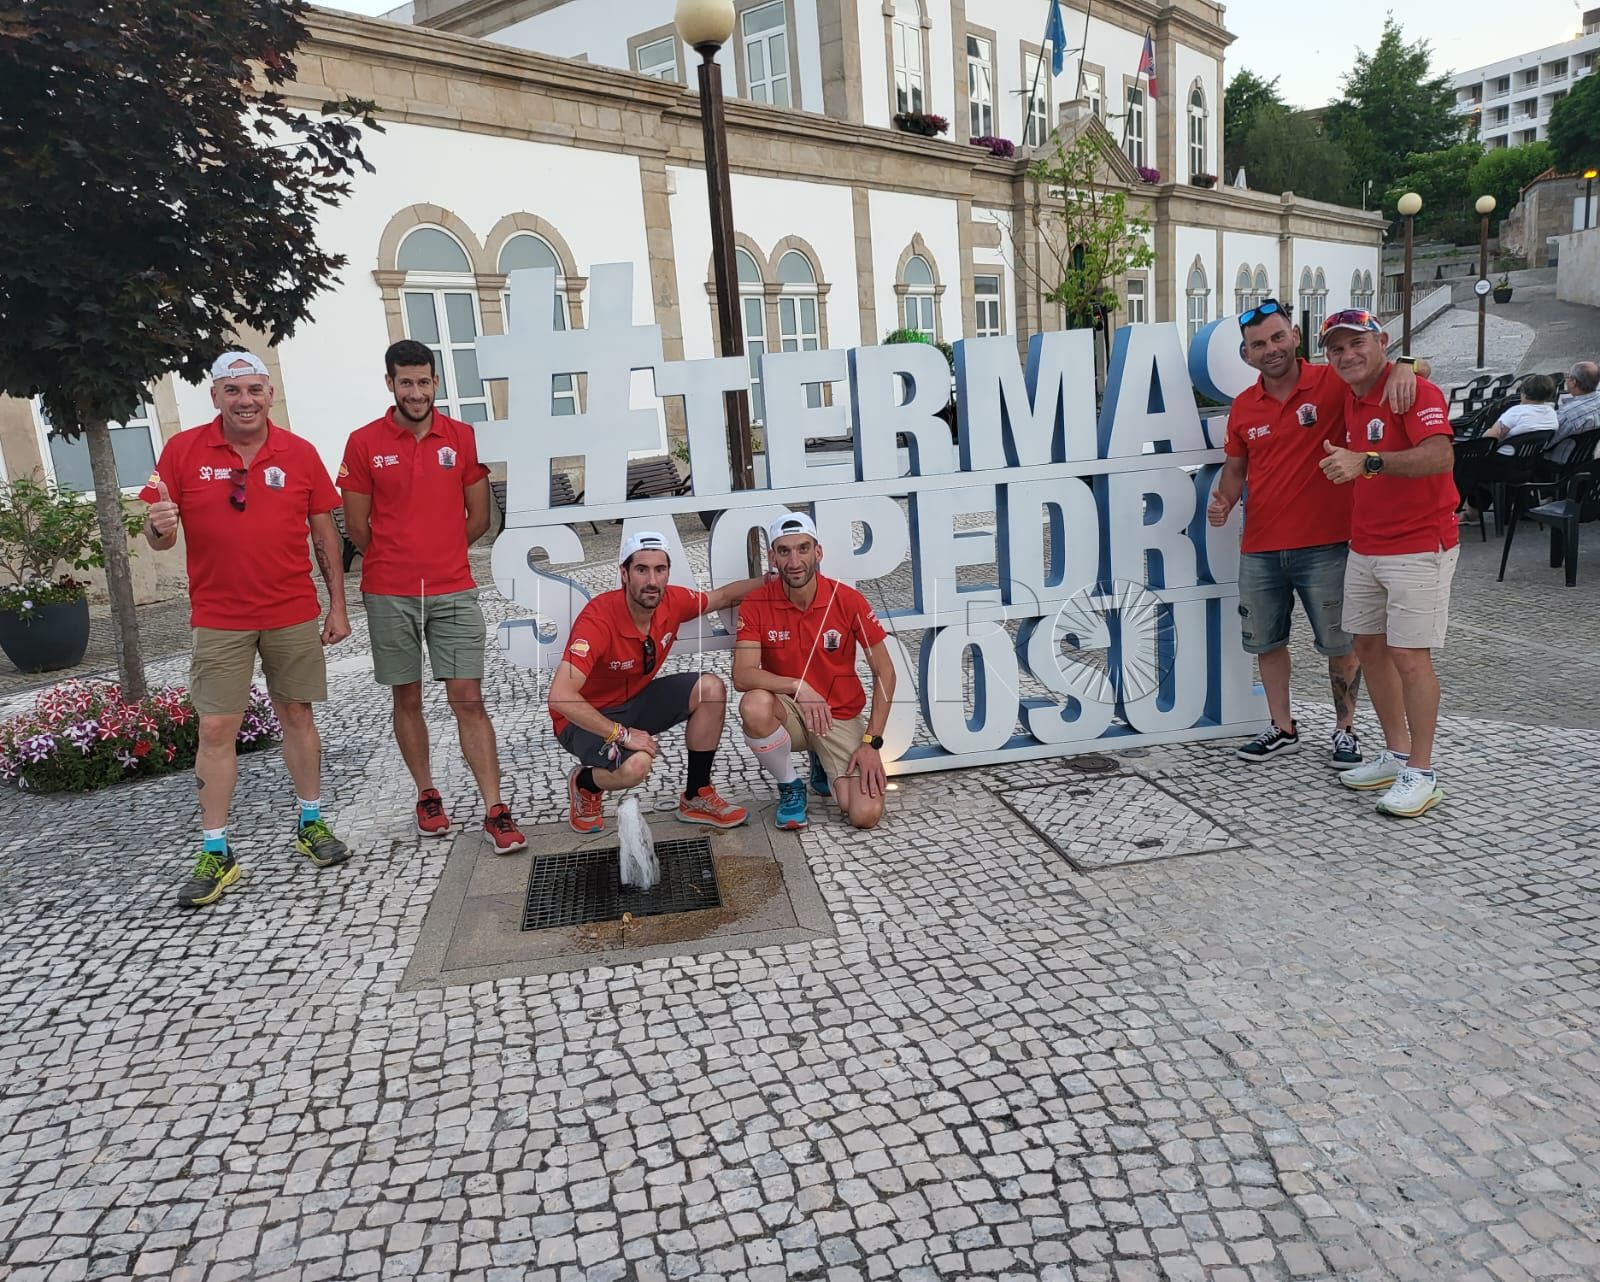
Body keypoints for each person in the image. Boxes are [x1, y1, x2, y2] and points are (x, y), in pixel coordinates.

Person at [141, 352, 353, 908]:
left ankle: (311, 821)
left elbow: (325, 535)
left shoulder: (300, 453)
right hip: (219, 616)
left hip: (290, 609)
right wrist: (157, 528)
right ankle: (216, 850)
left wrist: (337, 605)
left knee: (297, 714)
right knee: (216, 727)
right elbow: (160, 536)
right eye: (233, 390)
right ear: (215, 396)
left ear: (269, 394)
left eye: (255, 389)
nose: (245, 400)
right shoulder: (182, 451)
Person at [1208, 299, 1419, 768]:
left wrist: (1407, 363)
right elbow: (1236, 469)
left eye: (1277, 337)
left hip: (1329, 544)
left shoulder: (1333, 381)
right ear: (1246, 355)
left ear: (1296, 337)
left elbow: (1387, 371)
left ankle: (1345, 729)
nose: (1270, 349)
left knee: (1342, 645)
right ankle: (1282, 727)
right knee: (1267, 643)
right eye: (1258, 344)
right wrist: (1223, 499)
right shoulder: (1243, 406)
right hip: (1260, 546)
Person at [339, 339, 525, 853]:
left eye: (424, 382)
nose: (416, 392)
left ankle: (495, 809)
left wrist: (440, 553)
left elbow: (480, 517)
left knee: (469, 698)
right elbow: (356, 526)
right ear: (390, 384)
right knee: (408, 697)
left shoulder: (461, 437)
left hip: (453, 588)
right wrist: (399, 558)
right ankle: (427, 794)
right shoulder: (362, 442)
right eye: (406, 383)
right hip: (388, 592)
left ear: (436, 381)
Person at [1317, 311, 1457, 818]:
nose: (1347, 355)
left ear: (1382, 341)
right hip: (1367, 544)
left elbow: (1440, 456)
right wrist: (1408, 362)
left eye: (1357, 344)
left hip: (1419, 543)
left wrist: (1368, 461)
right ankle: (1397, 754)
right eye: (1336, 348)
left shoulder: (1415, 391)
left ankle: (1422, 771)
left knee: (1410, 656)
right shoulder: (1353, 393)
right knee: (1368, 647)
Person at [549, 532, 765, 833]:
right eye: (642, 569)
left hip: (633, 702)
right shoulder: (598, 619)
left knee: (710, 689)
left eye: (660, 569)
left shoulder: (671, 600)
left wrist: (777, 579)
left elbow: (723, 597)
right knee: (636, 766)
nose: (652, 580)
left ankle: (696, 795)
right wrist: (622, 735)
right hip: (582, 719)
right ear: (624, 574)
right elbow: (560, 696)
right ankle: (585, 784)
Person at [733, 512, 897, 831]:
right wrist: (798, 686)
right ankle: (790, 785)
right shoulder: (755, 603)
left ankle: (821, 759)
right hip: (789, 709)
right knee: (753, 705)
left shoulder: (848, 600)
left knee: (864, 814)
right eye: (784, 551)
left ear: (818, 552)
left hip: (838, 715)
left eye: (803, 549)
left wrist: (871, 743)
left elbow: (886, 673)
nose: (794, 561)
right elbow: (743, 675)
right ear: (773, 558)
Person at [1456, 374, 1559, 525]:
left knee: (1468, 466)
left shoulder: (1516, 412)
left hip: (1503, 465)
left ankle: (1469, 511)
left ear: (1523, 392)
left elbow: (1490, 438)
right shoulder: (1551, 413)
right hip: (1528, 464)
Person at [1547, 361, 1600, 465]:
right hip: (1587, 456)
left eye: (1568, 377)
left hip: (1560, 461)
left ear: (1574, 382)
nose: (1566, 380)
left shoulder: (1568, 414)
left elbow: (1546, 443)